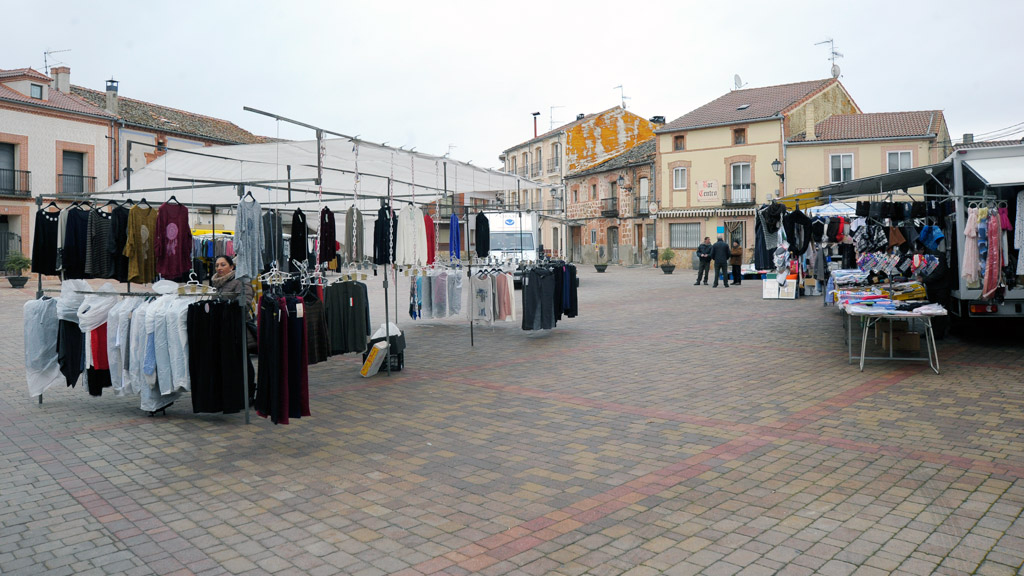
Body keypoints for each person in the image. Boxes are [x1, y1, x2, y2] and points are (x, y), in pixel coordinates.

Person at [914, 242, 950, 339]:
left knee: (939, 311)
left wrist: (923, 279)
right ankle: (931, 331)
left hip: (940, 288)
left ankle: (938, 334)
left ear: (922, 249)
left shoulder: (935, 256)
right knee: (932, 311)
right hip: (933, 287)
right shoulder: (927, 256)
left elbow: (939, 273)